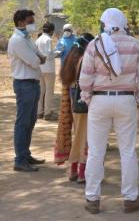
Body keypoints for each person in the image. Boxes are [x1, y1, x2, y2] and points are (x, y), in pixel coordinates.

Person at [79, 8, 139, 214]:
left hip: (99, 101)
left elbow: (85, 78)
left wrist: (88, 98)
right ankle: (130, 198)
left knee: (95, 152)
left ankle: (92, 199)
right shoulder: (135, 45)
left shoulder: (94, 44)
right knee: (127, 151)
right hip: (126, 100)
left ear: (104, 24)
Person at [7, 9, 47, 172]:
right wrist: (38, 58)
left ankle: (25, 155)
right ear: (21, 22)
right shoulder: (17, 40)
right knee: (23, 123)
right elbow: (35, 61)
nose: (33, 24)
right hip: (24, 85)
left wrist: (39, 58)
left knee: (30, 122)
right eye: (30, 21)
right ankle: (20, 159)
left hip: (32, 84)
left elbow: (40, 56)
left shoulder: (26, 38)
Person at [54, 33, 95, 184]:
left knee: (78, 134)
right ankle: (82, 172)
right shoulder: (85, 60)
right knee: (84, 137)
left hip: (73, 102)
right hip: (84, 103)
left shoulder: (70, 59)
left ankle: (73, 170)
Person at [36, 22, 58, 121]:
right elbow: (49, 54)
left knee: (41, 91)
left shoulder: (38, 39)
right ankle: (47, 113)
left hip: (40, 68)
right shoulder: (48, 39)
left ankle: (39, 112)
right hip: (49, 69)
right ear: (51, 31)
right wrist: (57, 52)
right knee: (49, 91)